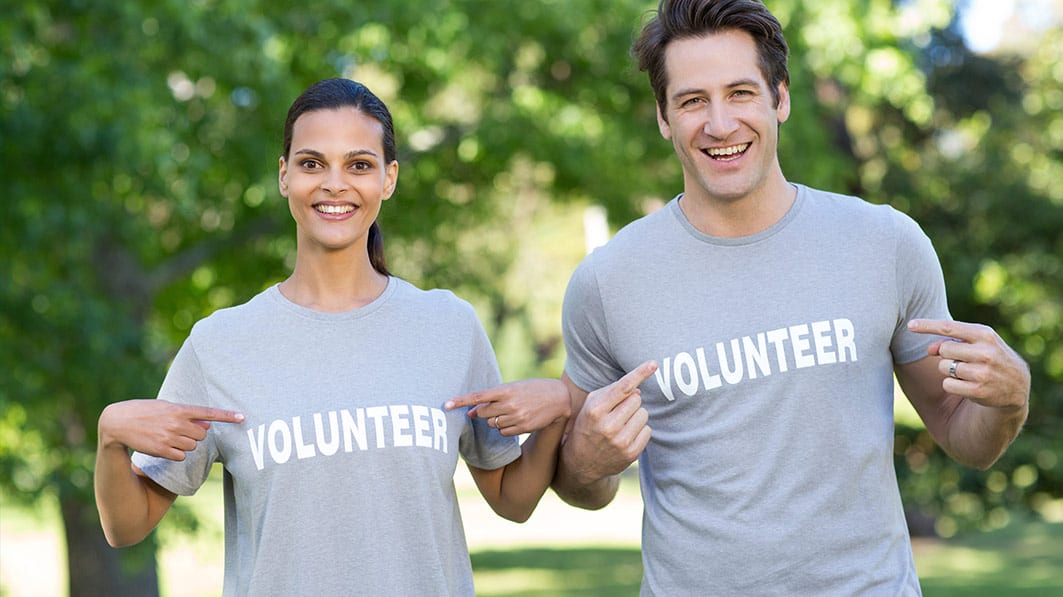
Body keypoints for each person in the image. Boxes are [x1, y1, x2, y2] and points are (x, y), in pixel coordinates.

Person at [453, 0, 1032, 594]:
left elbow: (966, 438)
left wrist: (1009, 402)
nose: (720, 124)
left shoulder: (884, 242)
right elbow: (585, 488)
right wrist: (586, 462)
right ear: (663, 116)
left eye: (741, 93)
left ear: (779, 98)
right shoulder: (606, 282)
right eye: (692, 101)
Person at [93, 77, 571, 596]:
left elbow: (511, 498)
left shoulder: (448, 326)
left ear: (389, 179)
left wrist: (558, 411)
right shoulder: (220, 345)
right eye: (312, 163)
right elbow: (127, 526)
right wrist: (110, 438)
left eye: (359, 165)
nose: (334, 184)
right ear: (284, 176)